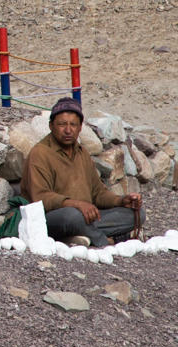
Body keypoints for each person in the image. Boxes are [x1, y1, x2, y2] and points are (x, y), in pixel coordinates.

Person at [21, 97, 142, 247]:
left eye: (73, 125)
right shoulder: (40, 153)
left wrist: (121, 201)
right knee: (72, 216)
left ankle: (80, 236)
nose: (68, 130)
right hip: (54, 218)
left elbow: (98, 193)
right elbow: (40, 198)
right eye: (62, 124)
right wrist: (77, 204)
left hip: (85, 217)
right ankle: (105, 241)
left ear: (79, 128)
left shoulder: (82, 152)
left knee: (137, 214)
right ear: (51, 126)